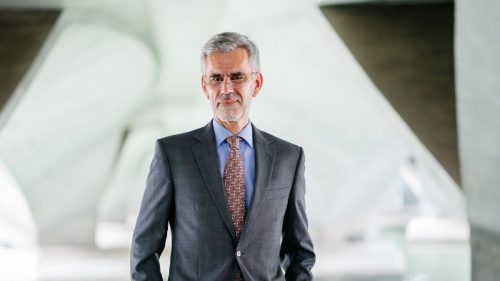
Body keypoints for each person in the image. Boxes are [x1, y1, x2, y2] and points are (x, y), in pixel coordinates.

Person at [130, 32, 315, 281]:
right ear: (205, 87)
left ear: (256, 84)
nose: (226, 88)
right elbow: (144, 249)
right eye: (216, 78)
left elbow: (299, 251)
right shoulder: (173, 155)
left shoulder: (288, 157)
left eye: (237, 77)